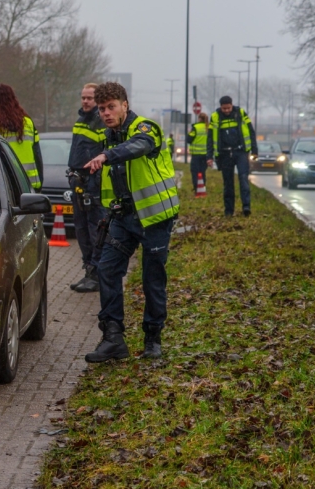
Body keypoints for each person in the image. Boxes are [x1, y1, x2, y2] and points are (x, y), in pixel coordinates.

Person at [82, 82, 179, 361]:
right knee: (107, 270)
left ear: (125, 104)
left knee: (152, 279)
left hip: (154, 219)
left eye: (111, 106)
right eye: (102, 109)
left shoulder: (145, 128)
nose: (106, 113)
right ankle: (113, 338)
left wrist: (107, 155)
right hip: (123, 218)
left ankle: (153, 338)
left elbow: (138, 147)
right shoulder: (108, 135)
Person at [68, 83, 106, 293]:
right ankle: (89, 271)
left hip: (92, 183)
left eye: (90, 98)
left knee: (94, 229)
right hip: (79, 181)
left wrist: (94, 180)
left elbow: (103, 154)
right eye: (83, 97)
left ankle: (97, 275)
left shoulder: (101, 123)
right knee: (81, 229)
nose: (85, 101)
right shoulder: (80, 121)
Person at [0, 84, 43, 189]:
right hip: (27, 186)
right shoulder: (28, 123)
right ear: (14, 101)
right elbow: (37, 156)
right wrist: (39, 185)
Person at [206, 95, 257, 216]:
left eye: (228, 108)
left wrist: (254, 150)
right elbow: (210, 138)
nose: (227, 111)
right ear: (220, 107)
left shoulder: (240, 113)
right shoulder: (215, 117)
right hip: (224, 154)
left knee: (243, 179)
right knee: (228, 183)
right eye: (224, 109)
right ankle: (229, 211)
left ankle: (246, 207)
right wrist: (209, 156)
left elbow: (251, 131)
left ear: (232, 105)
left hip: (240, 152)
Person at [187, 113, 209, 187]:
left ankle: (196, 187)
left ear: (199, 118)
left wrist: (189, 133)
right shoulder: (208, 127)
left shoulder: (195, 127)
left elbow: (189, 139)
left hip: (196, 154)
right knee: (202, 171)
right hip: (206, 154)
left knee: (195, 171)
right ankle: (203, 187)